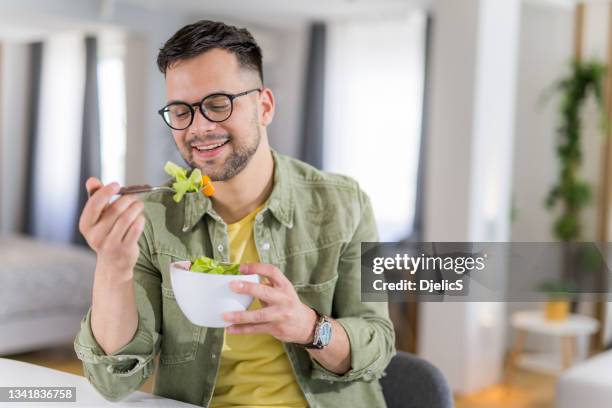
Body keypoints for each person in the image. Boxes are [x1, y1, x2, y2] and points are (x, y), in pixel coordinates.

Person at [74, 20, 395, 408]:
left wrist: (308, 327)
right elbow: (113, 383)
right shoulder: (153, 219)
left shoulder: (345, 203)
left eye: (218, 104)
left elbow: (378, 342)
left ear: (264, 106)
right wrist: (112, 266)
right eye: (181, 111)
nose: (200, 127)